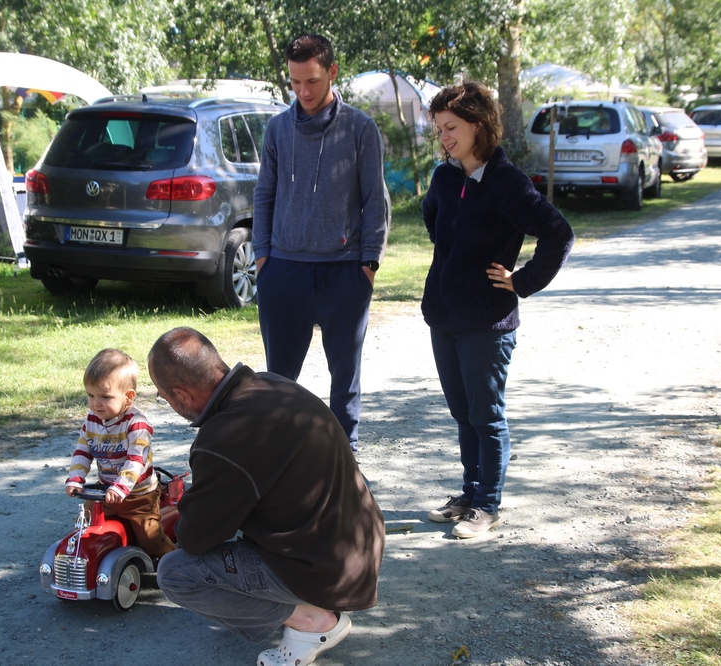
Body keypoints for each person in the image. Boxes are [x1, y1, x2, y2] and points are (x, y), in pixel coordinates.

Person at [148, 327, 384, 666]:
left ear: (181, 395)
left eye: (164, 397)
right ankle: (304, 603)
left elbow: (195, 538)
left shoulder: (223, 437)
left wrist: (178, 517)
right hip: (357, 549)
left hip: (326, 571)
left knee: (175, 572)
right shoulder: (273, 385)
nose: (168, 404)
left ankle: (312, 622)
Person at [422, 82, 575, 539]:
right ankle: (470, 492)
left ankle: (487, 504)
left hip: (488, 322)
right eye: (439, 129)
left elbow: (558, 234)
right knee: (462, 412)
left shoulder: (508, 182)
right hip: (445, 318)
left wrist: (521, 280)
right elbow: (434, 219)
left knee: (486, 415)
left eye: (451, 127)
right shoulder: (445, 178)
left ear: (478, 125)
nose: (444, 137)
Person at [253, 33, 388, 453]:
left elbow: (374, 199)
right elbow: (264, 194)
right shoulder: (277, 128)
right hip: (283, 270)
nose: (303, 91)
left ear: (332, 72)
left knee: (344, 377)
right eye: (294, 83)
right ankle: (279, 461)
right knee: (279, 379)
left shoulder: (361, 129)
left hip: (344, 272)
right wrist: (262, 258)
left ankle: (345, 461)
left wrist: (368, 264)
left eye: (311, 81)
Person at [65, 348, 174, 560]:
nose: (96, 403)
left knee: (149, 537)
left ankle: (175, 562)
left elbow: (136, 460)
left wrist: (121, 487)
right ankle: (87, 559)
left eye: (105, 397)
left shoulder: (137, 424)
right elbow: (83, 451)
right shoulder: (92, 421)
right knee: (85, 525)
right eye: (91, 395)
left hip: (139, 496)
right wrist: (75, 479)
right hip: (106, 492)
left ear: (128, 398)